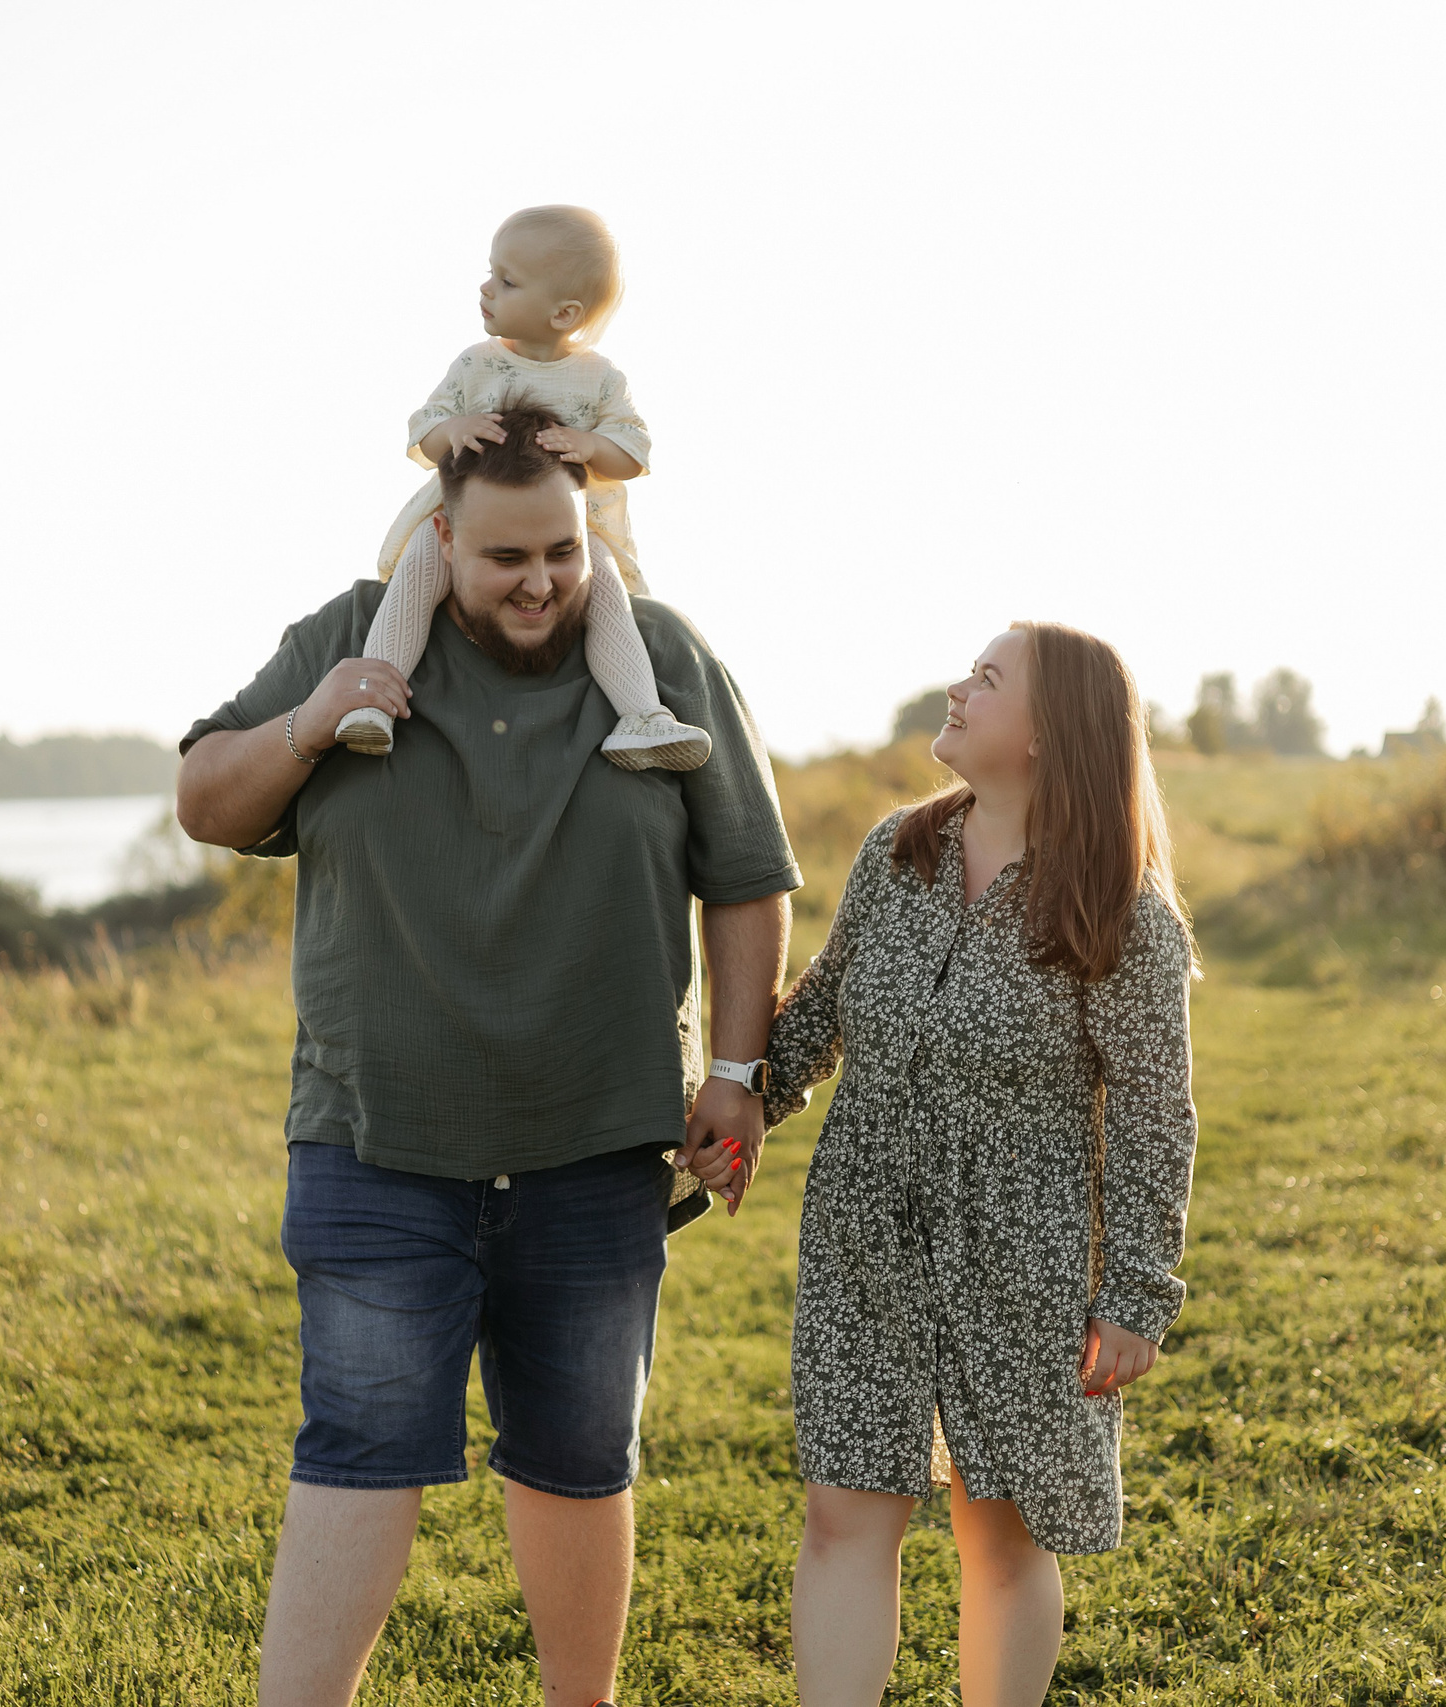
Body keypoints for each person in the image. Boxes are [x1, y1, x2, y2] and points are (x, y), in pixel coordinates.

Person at [173, 398, 798, 1707]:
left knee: (580, 1457)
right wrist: (311, 720)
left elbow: (746, 877)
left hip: (597, 1144)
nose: (541, 582)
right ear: (441, 540)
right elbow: (206, 799)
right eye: (507, 557)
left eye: (562, 553)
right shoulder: (349, 634)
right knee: (357, 1446)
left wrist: (735, 1075)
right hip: (375, 1138)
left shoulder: (663, 657)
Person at [694, 622, 1198, 1706]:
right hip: (862, 1231)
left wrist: (1136, 1297)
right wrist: (741, 1103)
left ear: (1046, 732)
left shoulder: (1119, 912)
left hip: (1024, 1252)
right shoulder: (898, 852)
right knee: (843, 1513)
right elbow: (825, 1004)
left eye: (986, 679)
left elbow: (1157, 1114)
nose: (958, 691)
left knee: (1000, 1534)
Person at [332, 203, 712, 772]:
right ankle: (372, 698)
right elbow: (423, 430)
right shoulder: (475, 366)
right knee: (418, 571)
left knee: (603, 588)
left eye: (507, 281)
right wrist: (453, 429)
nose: (486, 288)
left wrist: (590, 445)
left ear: (564, 313)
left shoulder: (599, 378)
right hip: (463, 524)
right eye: (491, 272)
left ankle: (642, 716)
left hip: (573, 532)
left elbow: (634, 451)